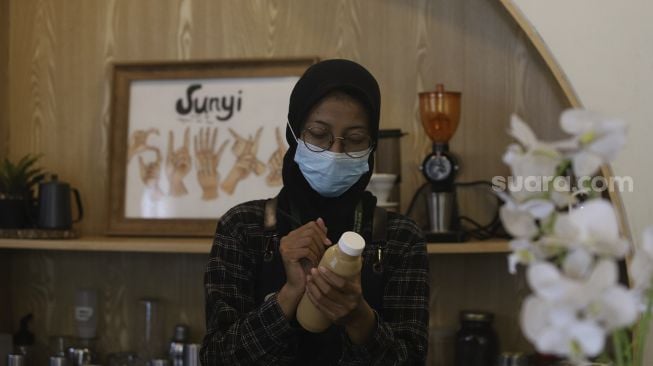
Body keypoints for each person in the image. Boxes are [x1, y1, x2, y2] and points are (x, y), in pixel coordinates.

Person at [200, 59, 429, 365]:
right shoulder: (242, 227)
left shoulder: (400, 238)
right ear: (294, 134)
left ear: (373, 144)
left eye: (356, 139)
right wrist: (289, 295)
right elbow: (217, 357)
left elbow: (412, 358)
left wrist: (360, 318)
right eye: (319, 134)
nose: (335, 153)